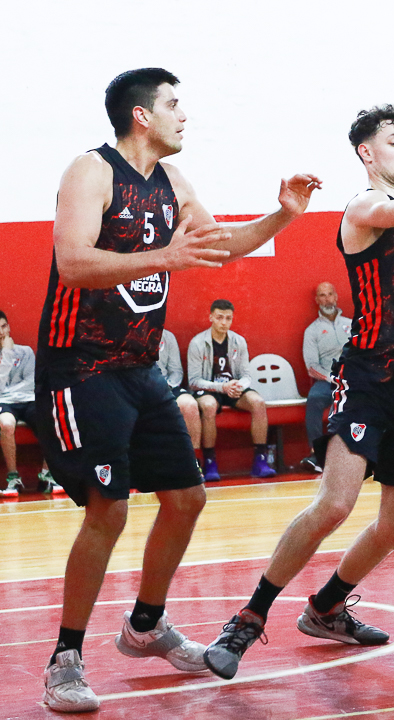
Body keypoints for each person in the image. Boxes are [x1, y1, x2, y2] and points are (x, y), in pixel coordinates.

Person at [36, 67, 320, 712]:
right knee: (107, 508)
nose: (183, 115)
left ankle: (145, 627)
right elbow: (73, 263)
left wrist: (283, 215)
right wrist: (164, 257)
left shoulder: (171, 182)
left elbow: (219, 249)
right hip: (80, 368)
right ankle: (65, 659)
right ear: (142, 115)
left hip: (140, 371)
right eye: (173, 104)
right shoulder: (92, 171)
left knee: (187, 498)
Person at [201, 105, 394, 681]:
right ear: (367, 153)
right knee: (336, 503)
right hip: (369, 378)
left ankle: (325, 608)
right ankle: (248, 618)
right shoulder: (363, 209)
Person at [188, 299, 274, 480]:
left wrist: (238, 386)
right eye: (219, 317)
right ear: (210, 317)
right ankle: (210, 462)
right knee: (209, 405)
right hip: (209, 389)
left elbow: (246, 375)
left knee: (258, 402)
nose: (224, 322)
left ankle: (260, 460)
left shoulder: (239, 341)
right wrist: (222, 387)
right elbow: (194, 381)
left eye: (228, 318)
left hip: (232, 389)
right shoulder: (197, 343)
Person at [1, 311, 59, 496]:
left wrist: (12, 390)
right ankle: (13, 478)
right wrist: (7, 355)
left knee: (54, 419)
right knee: (6, 424)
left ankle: (47, 475)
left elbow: (30, 383)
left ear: (8, 327)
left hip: (28, 400)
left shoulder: (25, 352)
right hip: (4, 404)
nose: (1, 332)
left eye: (3, 327)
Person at [300, 282, 352, 473]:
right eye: (322, 295)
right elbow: (311, 367)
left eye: (330, 294)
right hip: (327, 382)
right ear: (317, 300)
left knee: (377, 397)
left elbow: (365, 353)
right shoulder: (312, 331)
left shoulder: (351, 324)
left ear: (336, 296)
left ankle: (372, 451)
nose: (327, 299)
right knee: (313, 399)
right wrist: (333, 379)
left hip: (354, 380)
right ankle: (317, 454)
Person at [156, 328, 201, 456]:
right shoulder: (127, 335)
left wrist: (167, 386)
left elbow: (176, 371)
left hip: (165, 386)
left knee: (190, 405)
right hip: (137, 387)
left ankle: (194, 461)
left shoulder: (168, 336)